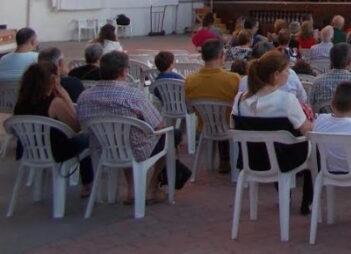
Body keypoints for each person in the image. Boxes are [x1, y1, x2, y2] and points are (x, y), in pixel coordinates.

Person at [76, 51, 178, 204]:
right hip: (134, 148)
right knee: (171, 135)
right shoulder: (132, 95)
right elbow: (159, 125)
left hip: (102, 147)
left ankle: (132, 189)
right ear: (124, 71)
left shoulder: (85, 96)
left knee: (124, 134)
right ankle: (152, 188)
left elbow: (81, 122)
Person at [232, 51, 314, 215]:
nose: (288, 74)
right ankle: (308, 201)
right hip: (283, 159)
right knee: (315, 149)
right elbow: (307, 130)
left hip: (251, 159)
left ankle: (287, 194)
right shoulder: (287, 100)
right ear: (276, 75)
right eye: (287, 71)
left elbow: (234, 127)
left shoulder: (240, 99)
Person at [14, 62, 93, 195]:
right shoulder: (55, 103)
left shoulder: (20, 103)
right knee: (88, 138)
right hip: (56, 150)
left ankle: (87, 185)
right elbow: (76, 127)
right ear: (52, 79)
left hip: (30, 149)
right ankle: (87, 184)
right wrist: (67, 99)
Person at [184, 39, 241, 173]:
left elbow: (189, 109)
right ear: (221, 55)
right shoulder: (234, 79)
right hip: (230, 126)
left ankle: (224, 160)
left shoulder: (190, 80)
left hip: (205, 126)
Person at [309, 43, 351, 109]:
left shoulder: (317, 82)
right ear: (350, 61)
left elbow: (310, 104)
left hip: (326, 120)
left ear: (331, 61)